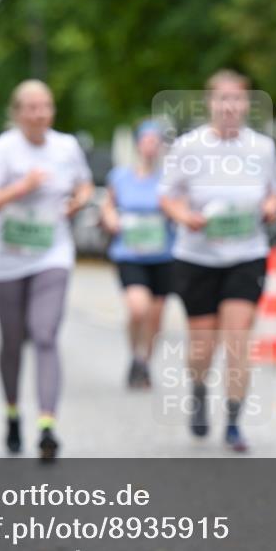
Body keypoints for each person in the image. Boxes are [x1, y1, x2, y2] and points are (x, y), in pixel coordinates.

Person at [0, 80, 94, 461]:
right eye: (32, 108)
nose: (40, 114)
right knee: (12, 341)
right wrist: (19, 188)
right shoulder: (1, 151)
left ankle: (46, 426)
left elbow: (85, 184)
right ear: (17, 112)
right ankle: (11, 413)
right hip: (5, 261)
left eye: (46, 106)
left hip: (51, 255)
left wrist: (78, 202)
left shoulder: (67, 147)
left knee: (45, 334)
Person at [159, 69, 276, 453]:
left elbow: (274, 193)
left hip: (246, 255)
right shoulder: (188, 147)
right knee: (201, 346)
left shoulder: (262, 148)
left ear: (247, 104)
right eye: (222, 99)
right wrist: (185, 217)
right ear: (210, 103)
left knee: (236, 341)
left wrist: (269, 208)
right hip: (196, 257)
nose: (230, 106)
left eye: (237, 99)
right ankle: (198, 391)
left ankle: (232, 422)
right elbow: (168, 197)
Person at [101, 120, 173, 389]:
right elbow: (108, 206)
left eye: (156, 141)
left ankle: (145, 362)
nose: (151, 146)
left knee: (155, 317)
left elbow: (180, 206)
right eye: (146, 140)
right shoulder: (121, 176)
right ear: (138, 143)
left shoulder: (169, 178)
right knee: (137, 308)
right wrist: (110, 219)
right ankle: (134, 354)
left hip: (163, 255)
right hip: (129, 253)